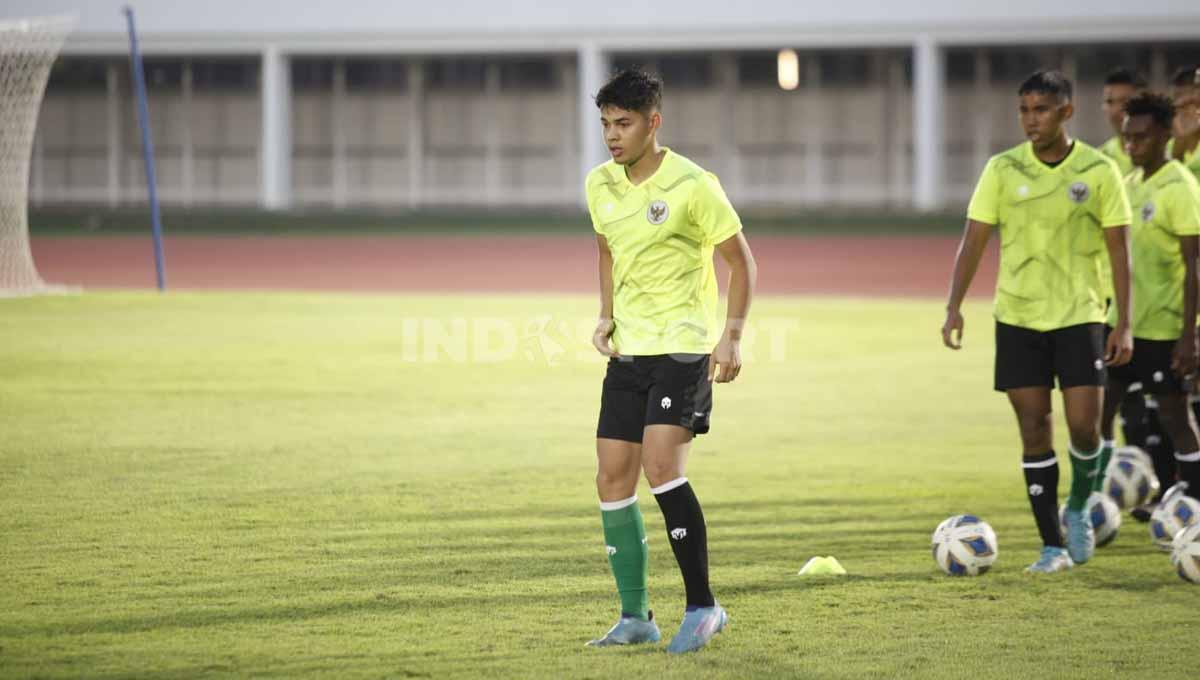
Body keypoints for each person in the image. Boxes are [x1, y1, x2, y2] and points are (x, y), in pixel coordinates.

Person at [583, 69, 756, 654]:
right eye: (605, 123)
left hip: (683, 348)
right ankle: (635, 616)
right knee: (611, 476)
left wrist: (730, 337)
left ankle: (704, 607)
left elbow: (742, 262)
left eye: (623, 123)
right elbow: (607, 250)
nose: (612, 135)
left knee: (662, 466)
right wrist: (605, 314)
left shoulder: (693, 184)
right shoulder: (599, 185)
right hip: (629, 352)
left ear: (653, 123)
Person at [941, 70, 1133, 574]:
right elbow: (974, 240)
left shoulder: (1098, 170)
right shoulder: (1002, 170)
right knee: (1033, 427)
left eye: (1042, 109)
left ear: (1066, 112)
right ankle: (1052, 545)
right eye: (1025, 110)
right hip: (1019, 317)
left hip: (1081, 314)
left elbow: (1119, 251)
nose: (1031, 119)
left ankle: (1078, 506)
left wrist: (1123, 322)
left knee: (1085, 429)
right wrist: (953, 305)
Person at [1096, 93, 1200, 520]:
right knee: (1095, 418)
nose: (1131, 146)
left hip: (1161, 329)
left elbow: (1194, 268)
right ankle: (1093, 501)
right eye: (1126, 139)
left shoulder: (1180, 188)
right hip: (1120, 326)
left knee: (1176, 421)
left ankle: (1193, 507)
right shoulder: (1131, 184)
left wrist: (1188, 335)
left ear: (1162, 135)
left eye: (1140, 138)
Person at [1098, 68, 1148, 176]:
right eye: (1110, 102)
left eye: (1125, 101)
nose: (1116, 109)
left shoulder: (1168, 151)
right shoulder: (1101, 158)